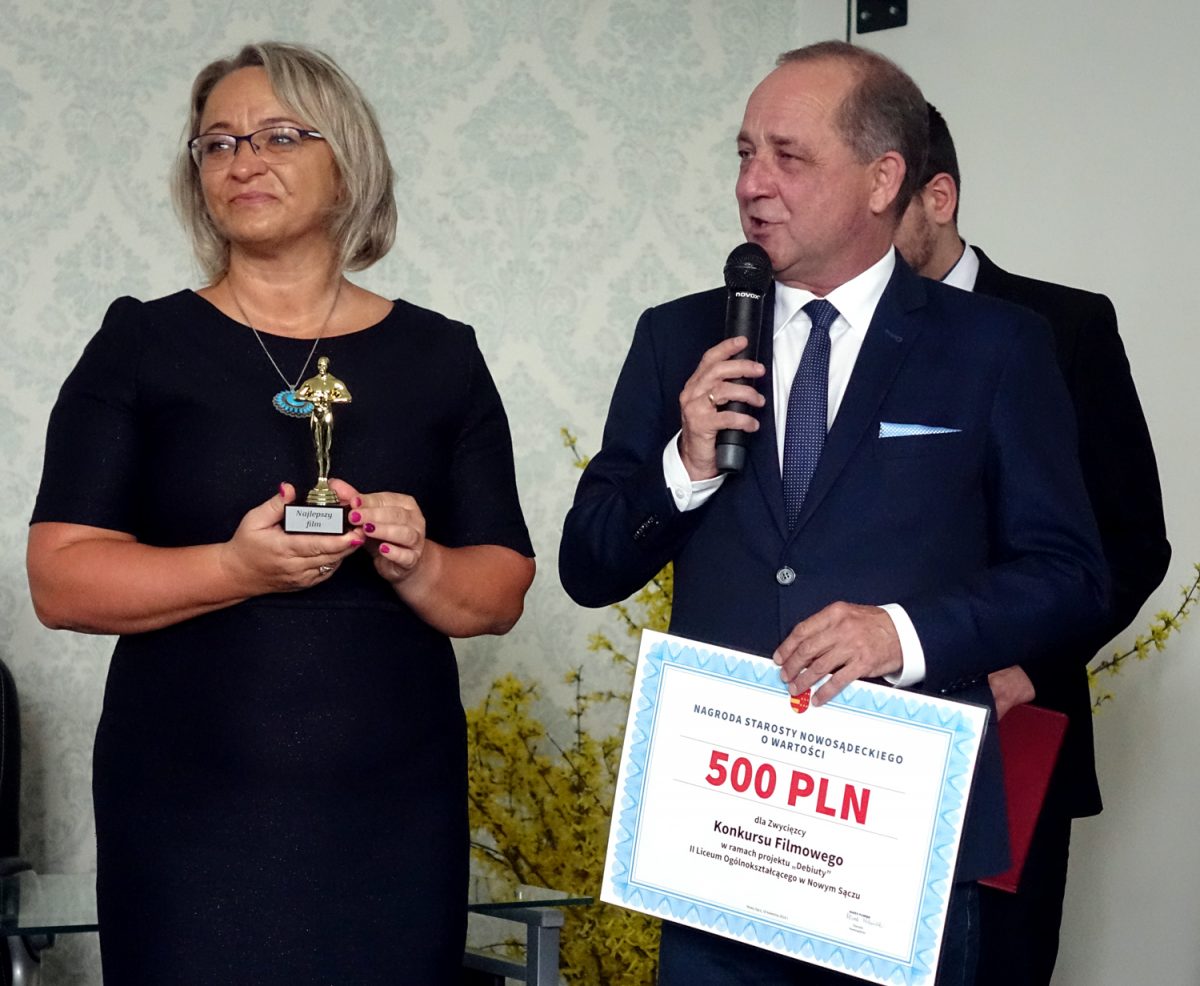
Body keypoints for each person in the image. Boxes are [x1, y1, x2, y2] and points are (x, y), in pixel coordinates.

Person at [559, 41, 1109, 986]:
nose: (753, 184)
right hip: (721, 849)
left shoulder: (997, 347)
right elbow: (589, 563)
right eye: (745, 154)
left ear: (883, 179)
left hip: (901, 845)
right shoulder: (678, 335)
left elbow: (1072, 576)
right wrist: (685, 464)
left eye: (789, 156)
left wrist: (902, 634)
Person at [26, 42, 535, 985]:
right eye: (217, 143)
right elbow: (59, 579)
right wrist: (234, 568)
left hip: (392, 813)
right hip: (189, 815)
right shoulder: (141, 342)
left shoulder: (442, 356)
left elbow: (500, 590)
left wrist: (419, 561)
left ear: (348, 160)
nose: (243, 160)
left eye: (279, 136)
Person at [894, 102, 1170, 986]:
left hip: (1015, 726)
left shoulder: (1065, 327)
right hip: (857, 739)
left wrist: (1028, 668)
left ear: (938, 198)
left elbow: (1133, 540)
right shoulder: (831, 333)